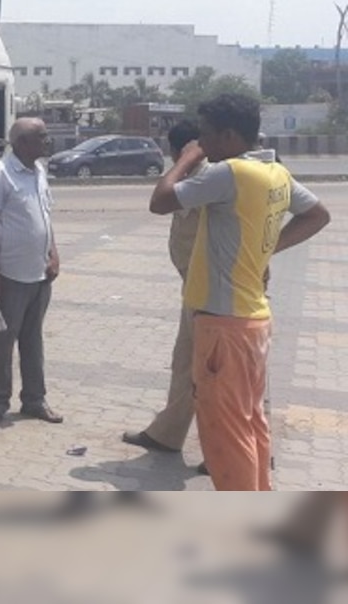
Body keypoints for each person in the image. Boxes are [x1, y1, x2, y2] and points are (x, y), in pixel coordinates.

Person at [148, 93, 330, 490]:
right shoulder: (275, 173)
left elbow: (160, 201)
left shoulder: (229, 173)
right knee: (250, 423)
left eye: (207, 136)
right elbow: (317, 214)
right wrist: (267, 251)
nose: (203, 144)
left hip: (223, 325)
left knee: (225, 436)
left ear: (229, 135)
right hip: (253, 318)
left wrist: (186, 159)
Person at [122, 120, 204, 455]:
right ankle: (168, 434)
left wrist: (186, 161)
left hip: (209, 289)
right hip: (196, 287)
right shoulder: (196, 176)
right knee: (185, 362)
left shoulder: (204, 176)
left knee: (206, 370)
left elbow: (159, 201)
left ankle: (222, 450)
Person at [0, 117, 63, 429]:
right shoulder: (0, 174)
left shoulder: (39, 171)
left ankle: (34, 400)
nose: (47, 140)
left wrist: (53, 252)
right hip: (10, 276)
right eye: (42, 136)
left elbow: (45, 215)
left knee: (33, 340)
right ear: (22, 143)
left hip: (40, 275)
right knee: (2, 343)